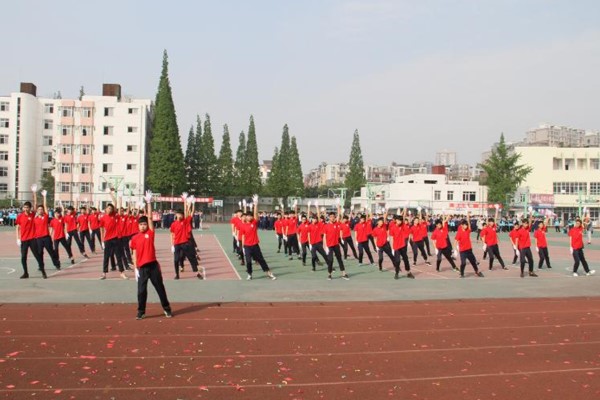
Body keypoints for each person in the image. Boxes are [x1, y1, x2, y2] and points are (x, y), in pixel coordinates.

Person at [130, 191, 172, 320]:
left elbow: (149, 218)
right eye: (141, 224)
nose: (143, 226)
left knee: (160, 288)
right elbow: (134, 253)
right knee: (141, 291)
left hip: (153, 266)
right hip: (142, 268)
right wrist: (135, 268)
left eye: (144, 224)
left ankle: (167, 308)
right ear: (138, 226)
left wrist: (149, 203)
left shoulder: (150, 234)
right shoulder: (134, 238)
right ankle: (141, 311)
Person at [241, 194, 276, 280]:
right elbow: (242, 236)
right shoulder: (243, 225)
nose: (249, 217)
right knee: (248, 261)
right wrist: (242, 247)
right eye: (248, 216)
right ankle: (249, 274)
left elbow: (256, 214)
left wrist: (255, 204)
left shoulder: (254, 223)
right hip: (247, 246)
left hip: (255, 245)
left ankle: (269, 273)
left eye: (251, 216)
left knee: (261, 260)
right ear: (245, 217)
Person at [170, 193, 203, 280]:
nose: (180, 215)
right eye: (178, 214)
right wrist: (172, 245)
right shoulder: (173, 224)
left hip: (186, 243)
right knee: (176, 260)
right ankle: (177, 274)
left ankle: (197, 273)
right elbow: (172, 234)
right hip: (177, 244)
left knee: (191, 258)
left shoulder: (185, 221)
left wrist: (187, 202)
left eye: (181, 214)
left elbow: (188, 212)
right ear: (176, 215)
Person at [16, 185, 45, 279]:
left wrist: (34, 193)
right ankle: (25, 273)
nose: (26, 209)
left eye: (27, 207)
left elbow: (35, 204)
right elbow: (17, 227)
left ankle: (43, 271)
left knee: (37, 255)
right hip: (24, 240)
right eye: (24, 207)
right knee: (23, 257)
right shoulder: (20, 216)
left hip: (32, 239)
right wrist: (18, 238)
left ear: (30, 208)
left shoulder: (33, 214)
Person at [99, 189, 128, 280]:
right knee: (106, 256)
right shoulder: (103, 218)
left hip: (116, 239)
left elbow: (115, 202)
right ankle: (104, 273)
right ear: (105, 209)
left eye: (111, 208)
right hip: (107, 240)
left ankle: (122, 273)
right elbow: (102, 230)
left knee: (118, 256)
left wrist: (111, 194)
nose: (110, 209)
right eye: (109, 208)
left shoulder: (115, 215)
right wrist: (102, 241)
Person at [32, 188, 61, 272]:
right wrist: (34, 193)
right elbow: (35, 204)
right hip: (38, 239)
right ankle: (41, 266)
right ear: (37, 210)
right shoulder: (35, 218)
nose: (40, 210)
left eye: (41, 209)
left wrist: (44, 196)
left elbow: (45, 206)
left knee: (51, 252)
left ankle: (56, 264)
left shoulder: (45, 216)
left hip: (46, 237)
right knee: (40, 253)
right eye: (39, 209)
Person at [454, 211, 484, 278]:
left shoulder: (468, 230)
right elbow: (455, 241)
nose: (466, 226)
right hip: (463, 251)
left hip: (469, 250)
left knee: (473, 262)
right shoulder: (459, 233)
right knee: (463, 263)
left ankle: (477, 272)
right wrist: (455, 249)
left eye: (466, 225)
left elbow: (469, 223)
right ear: (462, 225)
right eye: (465, 225)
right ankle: (462, 273)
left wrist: (468, 215)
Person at [323, 206, 350, 281]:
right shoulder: (326, 226)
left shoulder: (337, 224)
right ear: (329, 217)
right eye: (331, 217)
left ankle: (344, 274)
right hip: (329, 246)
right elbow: (324, 237)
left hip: (336, 245)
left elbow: (340, 215)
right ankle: (329, 274)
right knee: (330, 260)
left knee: (339, 259)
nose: (332, 218)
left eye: (333, 217)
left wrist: (338, 207)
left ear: (335, 217)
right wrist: (325, 247)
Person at [371, 210, 399, 276]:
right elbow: (374, 239)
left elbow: (384, 217)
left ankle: (396, 267)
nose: (381, 223)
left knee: (391, 256)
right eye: (380, 222)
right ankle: (380, 266)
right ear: (377, 222)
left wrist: (386, 210)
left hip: (386, 244)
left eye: (382, 222)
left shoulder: (384, 226)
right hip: (379, 246)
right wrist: (376, 247)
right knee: (381, 258)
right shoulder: (375, 229)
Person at [389, 209, 415, 279]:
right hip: (396, 247)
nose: (399, 222)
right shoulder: (392, 227)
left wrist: (405, 208)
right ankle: (396, 273)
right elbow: (391, 238)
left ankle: (408, 272)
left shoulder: (402, 225)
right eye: (398, 220)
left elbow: (403, 217)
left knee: (406, 259)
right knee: (397, 261)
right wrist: (392, 247)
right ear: (396, 220)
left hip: (403, 245)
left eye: (400, 221)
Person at [515, 214, 538, 278]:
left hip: (528, 247)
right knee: (522, 261)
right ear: (522, 224)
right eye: (525, 223)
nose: (526, 225)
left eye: (527, 224)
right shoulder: (519, 231)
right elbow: (517, 240)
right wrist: (516, 249)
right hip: (522, 248)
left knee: (531, 260)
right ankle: (522, 272)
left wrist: (530, 214)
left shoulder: (527, 229)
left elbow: (530, 222)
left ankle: (531, 272)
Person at [307, 203, 327, 272]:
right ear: (311, 219)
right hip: (313, 244)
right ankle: (313, 267)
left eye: (315, 219)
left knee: (324, 255)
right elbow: (309, 235)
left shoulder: (318, 224)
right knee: (313, 256)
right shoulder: (309, 226)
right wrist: (309, 243)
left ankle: (330, 266)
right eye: (313, 219)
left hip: (319, 243)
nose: (315, 220)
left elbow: (319, 215)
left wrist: (317, 206)